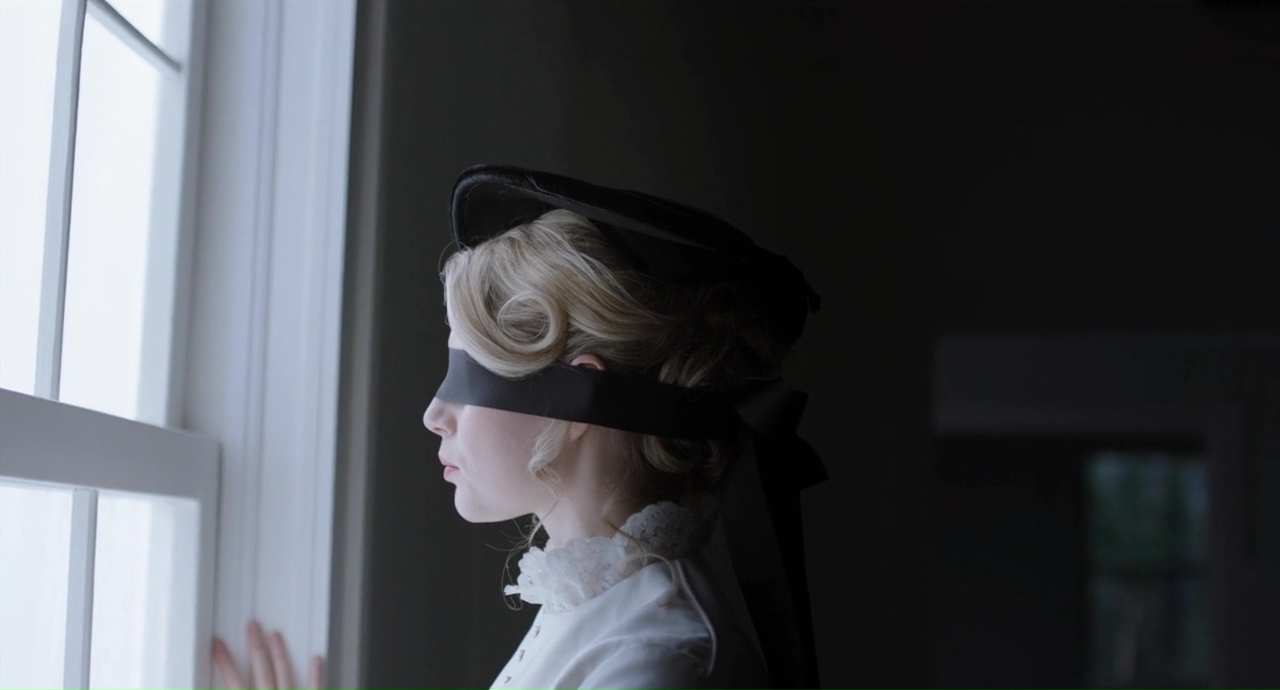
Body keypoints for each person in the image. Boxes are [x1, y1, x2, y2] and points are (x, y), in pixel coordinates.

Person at [214, 165, 825, 690]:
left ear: (576, 400)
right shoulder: (596, 602)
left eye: (468, 375)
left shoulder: (658, 661)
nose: (434, 415)